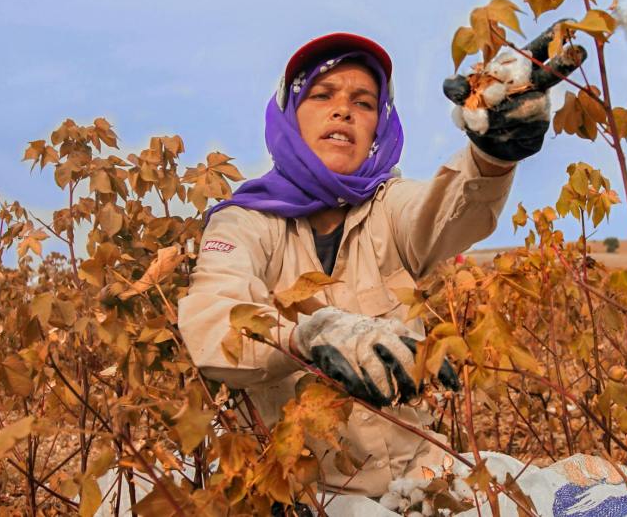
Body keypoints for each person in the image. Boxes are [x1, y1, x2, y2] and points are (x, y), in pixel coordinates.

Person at [176, 29, 585, 502]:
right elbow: (213, 320)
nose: (343, 109)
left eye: (364, 102)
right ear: (290, 115)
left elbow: (448, 208)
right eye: (322, 94)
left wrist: (492, 156)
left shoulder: (388, 206)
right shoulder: (245, 222)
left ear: (379, 125)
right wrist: (305, 335)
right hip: (303, 496)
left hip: (419, 478)